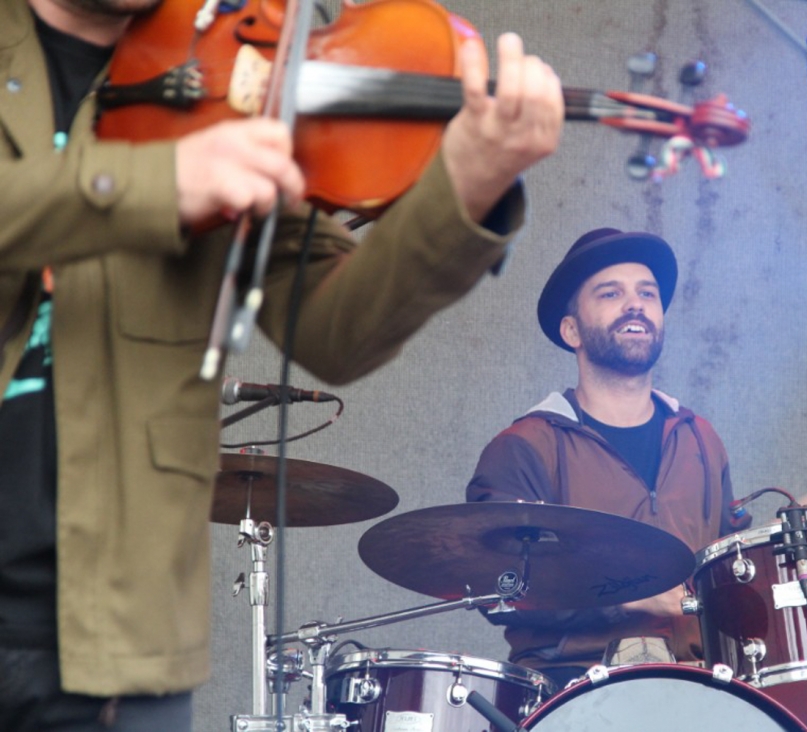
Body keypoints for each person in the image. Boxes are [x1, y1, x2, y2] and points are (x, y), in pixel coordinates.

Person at [0, 0, 564, 728]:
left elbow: (338, 331)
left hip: (119, 641)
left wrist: (466, 186)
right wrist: (154, 183)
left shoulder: (227, 83)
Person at [466, 227, 749, 688]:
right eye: (611, 293)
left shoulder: (701, 439)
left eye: (647, 293)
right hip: (572, 689)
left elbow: (728, 577)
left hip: (696, 687)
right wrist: (630, 596)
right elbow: (499, 587)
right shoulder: (525, 446)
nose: (635, 304)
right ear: (571, 330)